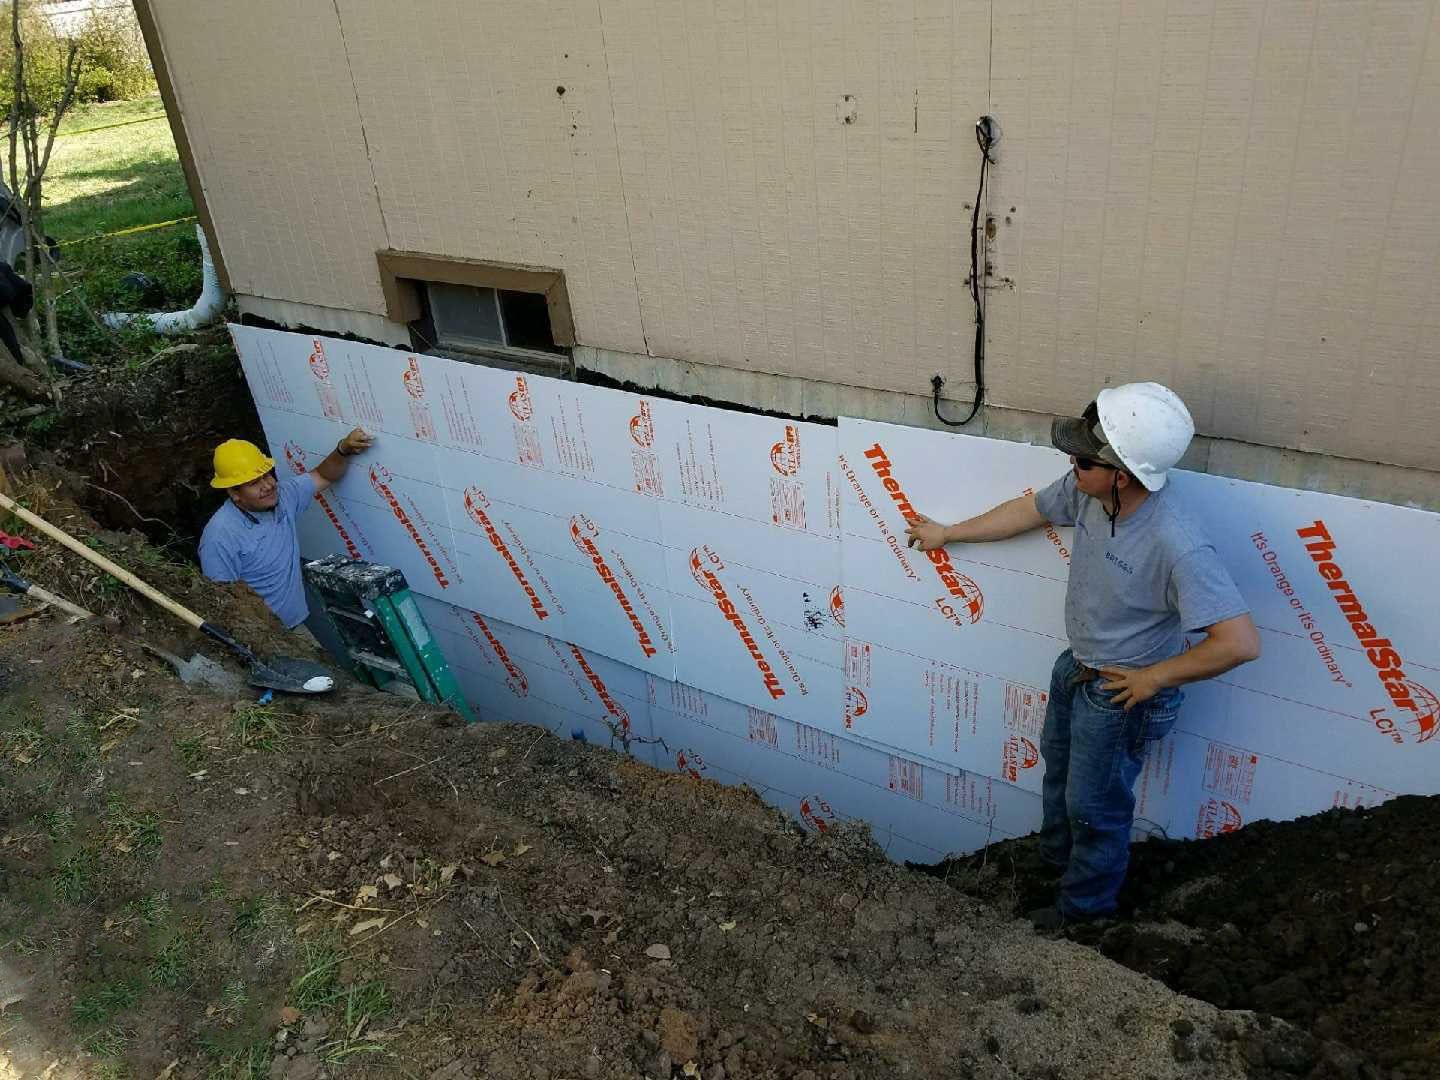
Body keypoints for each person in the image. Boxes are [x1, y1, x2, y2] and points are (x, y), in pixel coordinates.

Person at [904, 382, 1260, 928]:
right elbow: (1029, 511)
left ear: (1121, 473)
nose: (1071, 465)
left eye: (1081, 459)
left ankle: (1082, 917)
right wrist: (949, 533)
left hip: (1122, 691)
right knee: (1060, 781)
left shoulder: (1177, 542)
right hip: (1079, 668)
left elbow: (1238, 642)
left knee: (1094, 812)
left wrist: (1152, 680)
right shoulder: (1089, 491)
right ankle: (1053, 870)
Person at [199, 429, 374, 629]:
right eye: (254, 483)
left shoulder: (283, 496)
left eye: (267, 475)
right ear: (234, 493)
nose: (268, 485)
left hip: (298, 618)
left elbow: (323, 475)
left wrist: (343, 449)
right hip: (269, 636)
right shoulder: (220, 536)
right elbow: (223, 601)